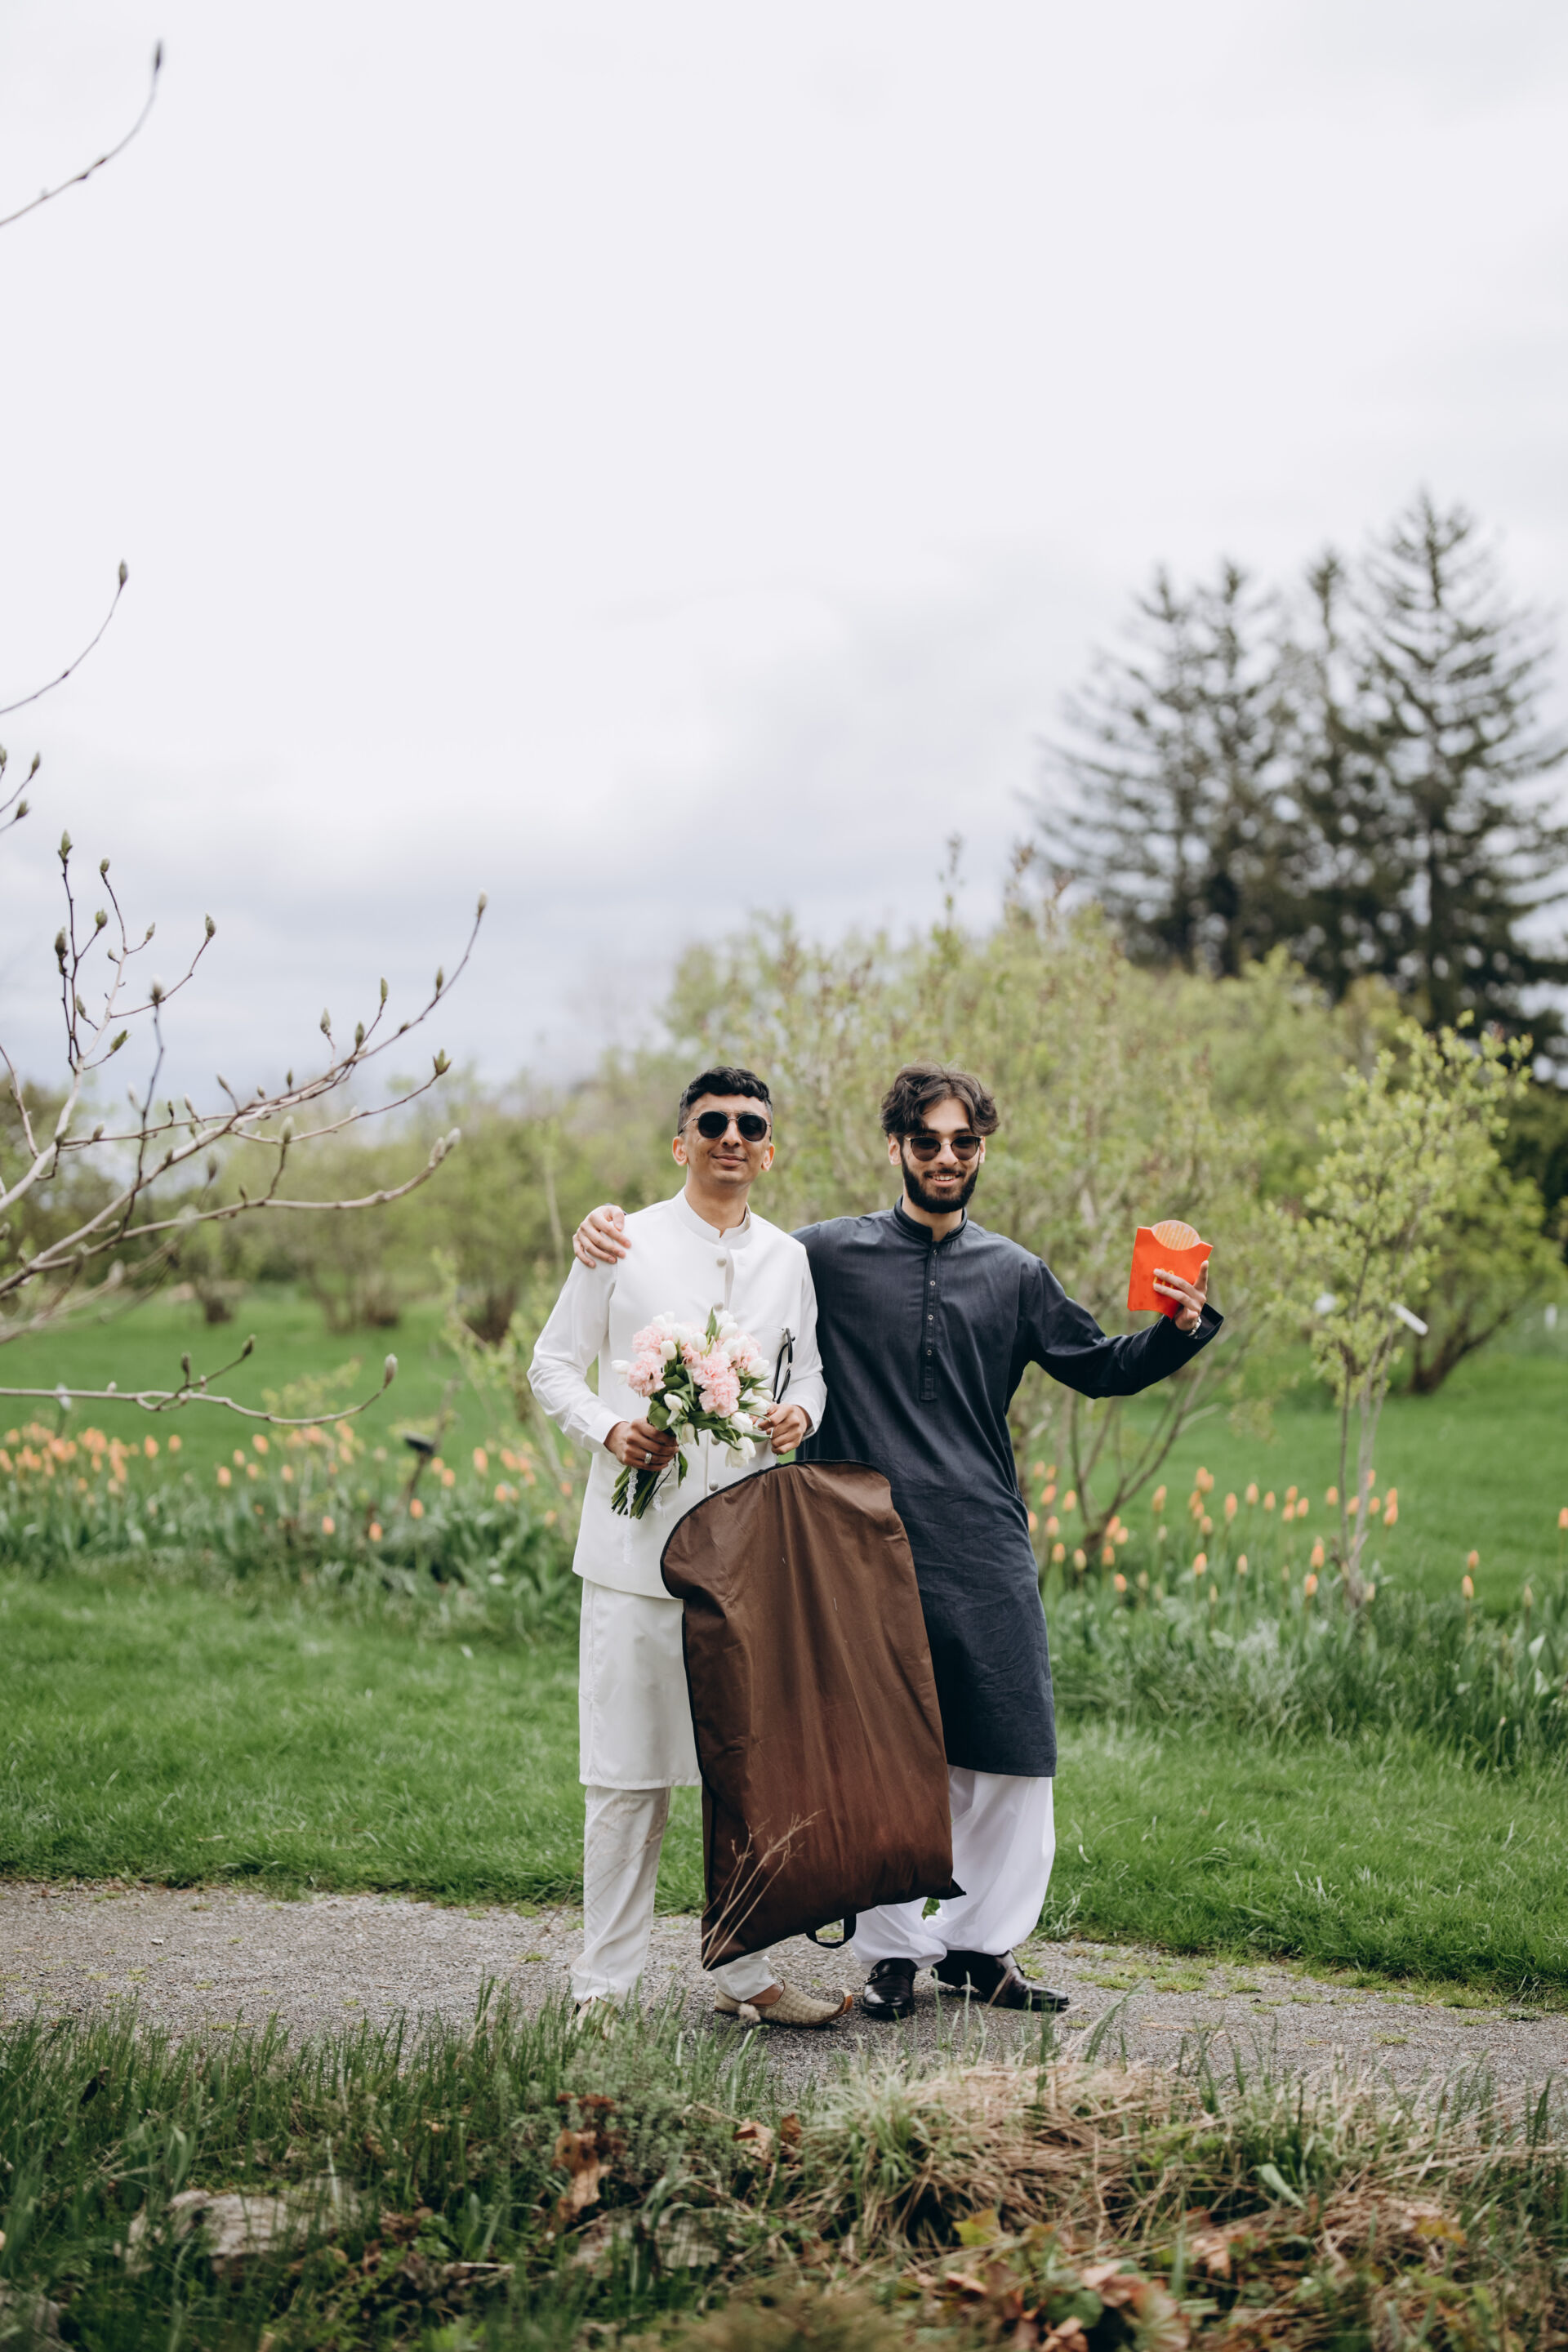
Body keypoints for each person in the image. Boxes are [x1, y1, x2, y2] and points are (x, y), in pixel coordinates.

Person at [571, 1061, 1222, 2020]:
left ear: (983, 1150)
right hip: (854, 1542)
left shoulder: (1016, 1273)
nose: (945, 1157)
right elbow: (721, 1264)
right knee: (873, 1745)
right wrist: (606, 1230)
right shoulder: (825, 1255)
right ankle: (891, 1956)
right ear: (897, 1148)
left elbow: (1099, 1366)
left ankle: (982, 1948)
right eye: (927, 1140)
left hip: (982, 1536)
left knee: (1010, 1747)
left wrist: (1180, 1329)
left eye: (964, 1142)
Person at [530, 1065, 848, 2028]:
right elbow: (552, 1366)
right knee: (627, 1779)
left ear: (769, 1150)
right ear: (682, 1143)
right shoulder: (620, 1240)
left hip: (746, 1558)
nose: (731, 1137)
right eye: (713, 1123)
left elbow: (811, 1373)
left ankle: (746, 1971)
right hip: (634, 1555)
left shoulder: (788, 1260)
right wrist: (609, 1430)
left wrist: (799, 1414)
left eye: (750, 1125)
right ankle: (604, 1988)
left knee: (745, 1780)